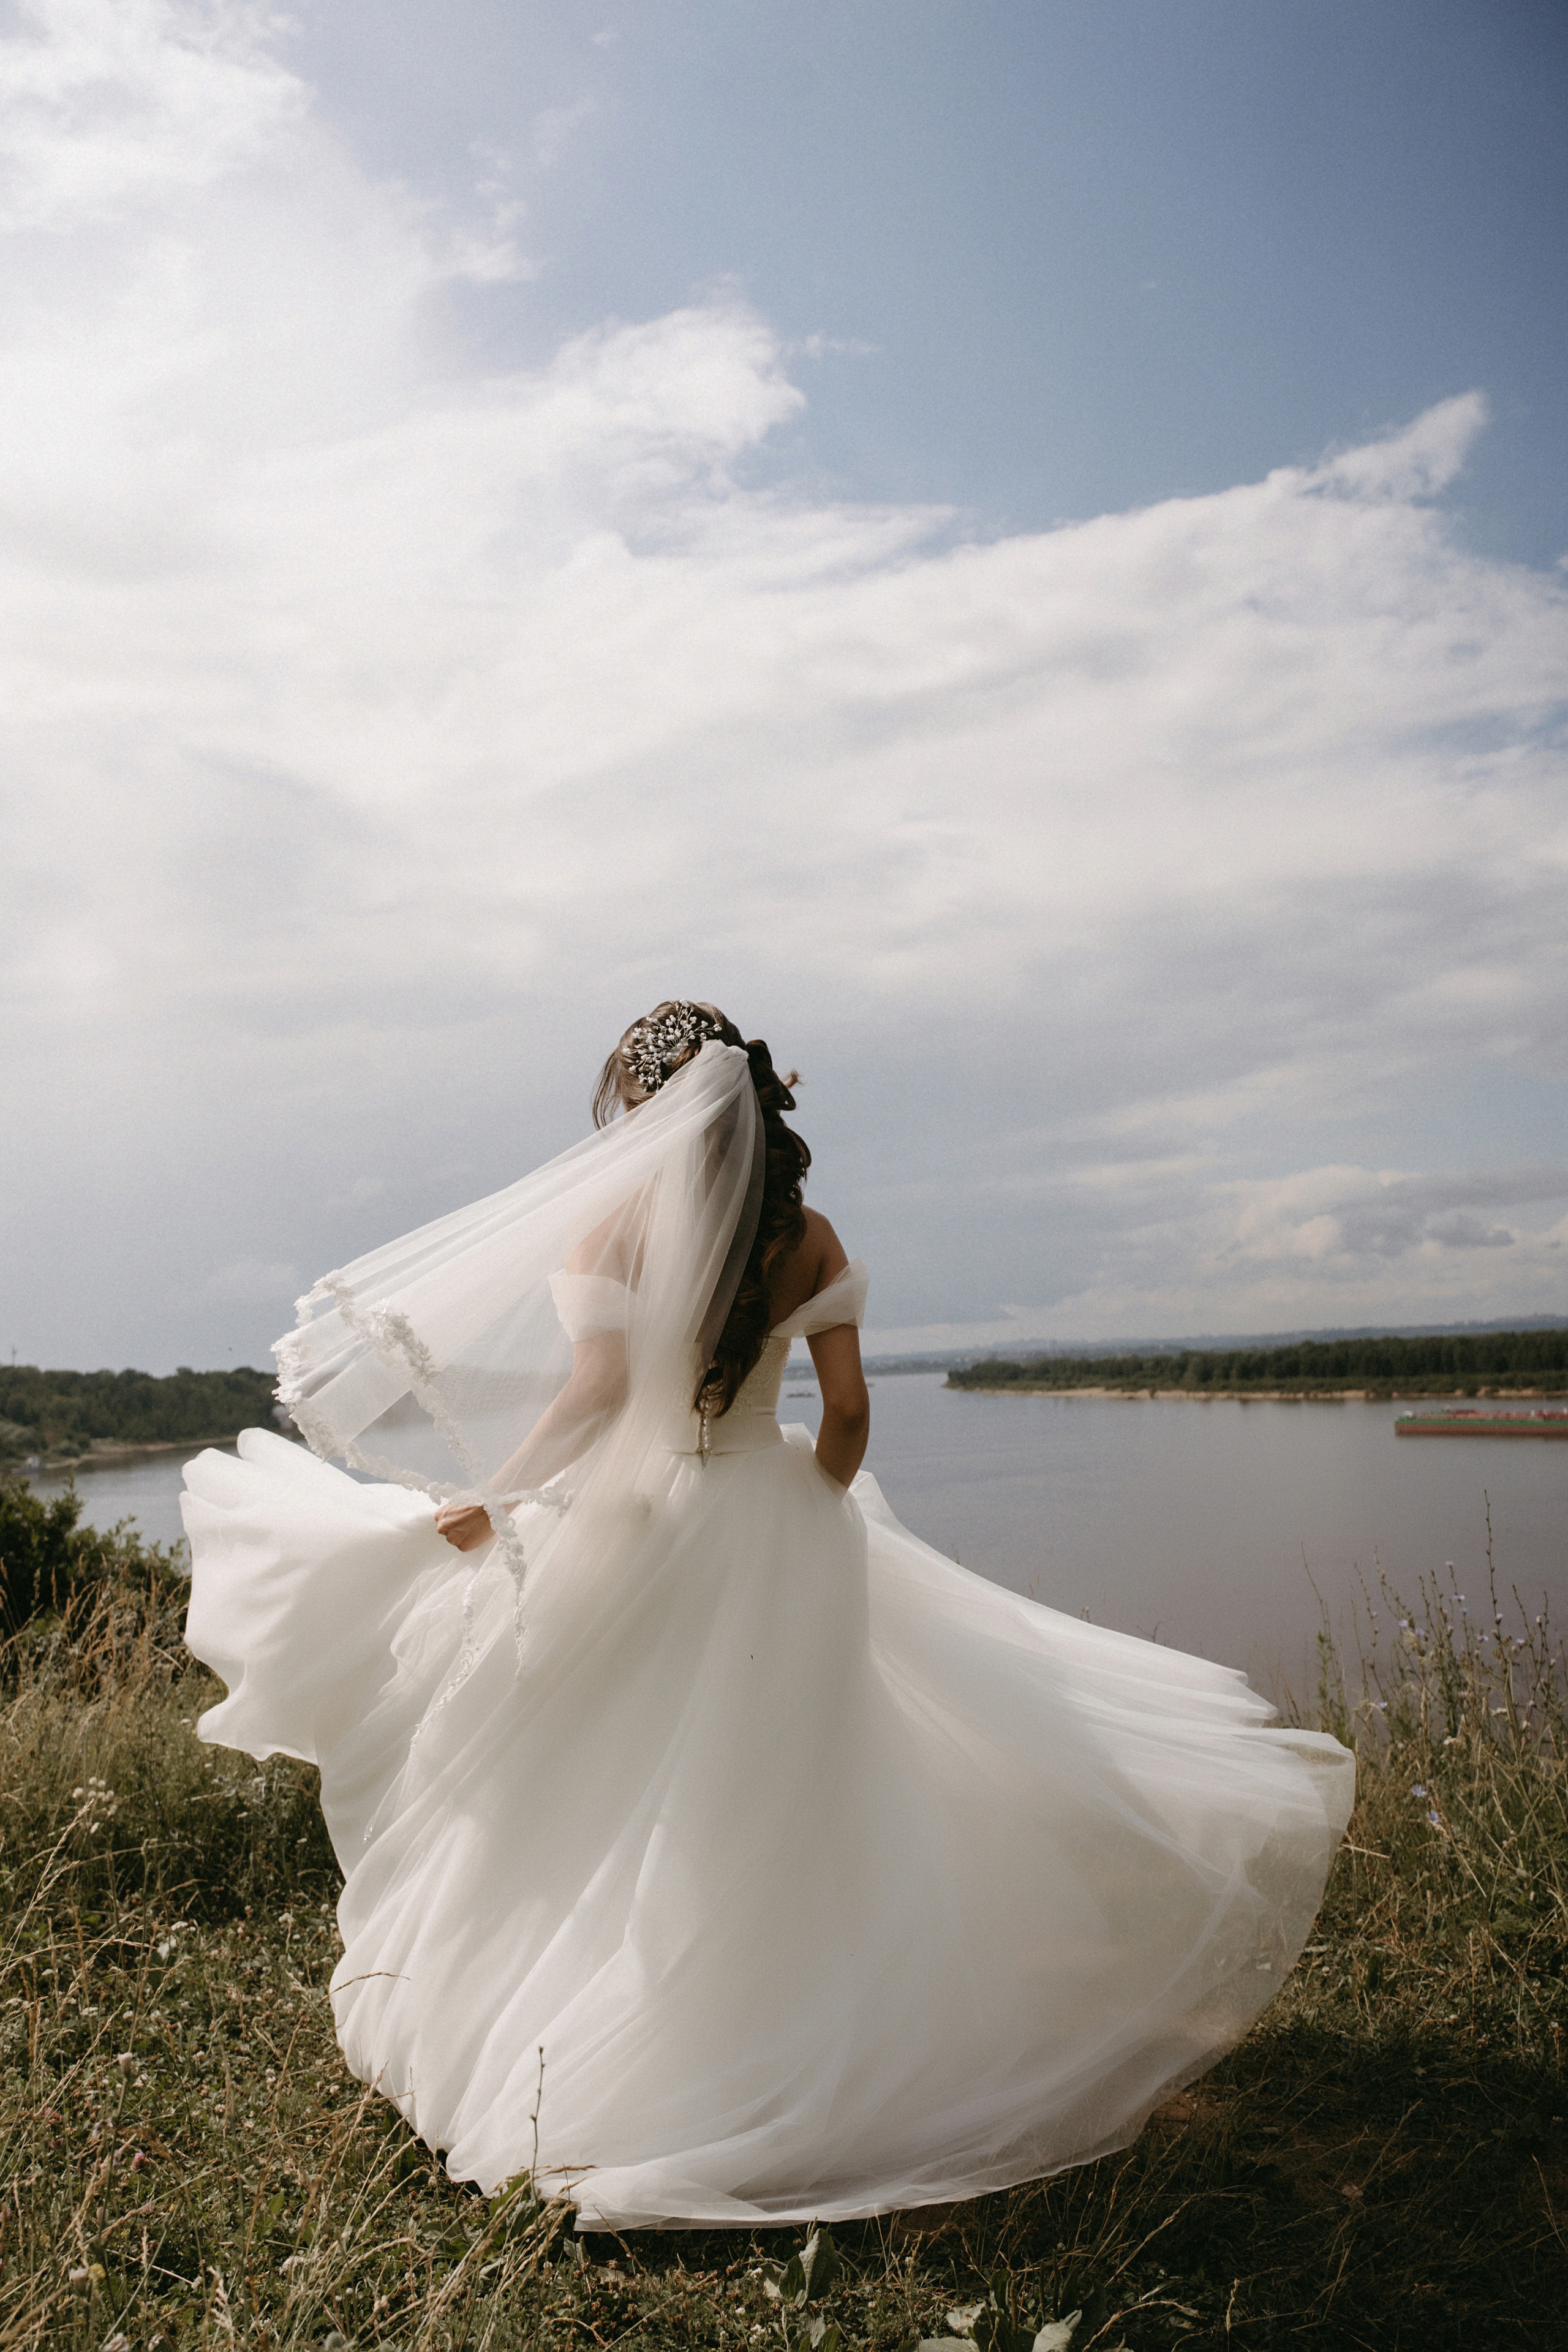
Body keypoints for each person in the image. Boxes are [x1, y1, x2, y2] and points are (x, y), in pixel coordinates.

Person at [182, 1002, 1354, 2230]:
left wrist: (493, 1495)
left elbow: (593, 1395)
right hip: (773, 1522)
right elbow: (845, 1417)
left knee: (610, 1785)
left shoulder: (611, 1229)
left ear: (639, 1111)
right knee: (776, 1795)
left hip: (637, 1530)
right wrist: (808, 1511)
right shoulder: (807, 1236)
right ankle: (781, 2037)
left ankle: (595, 2046)